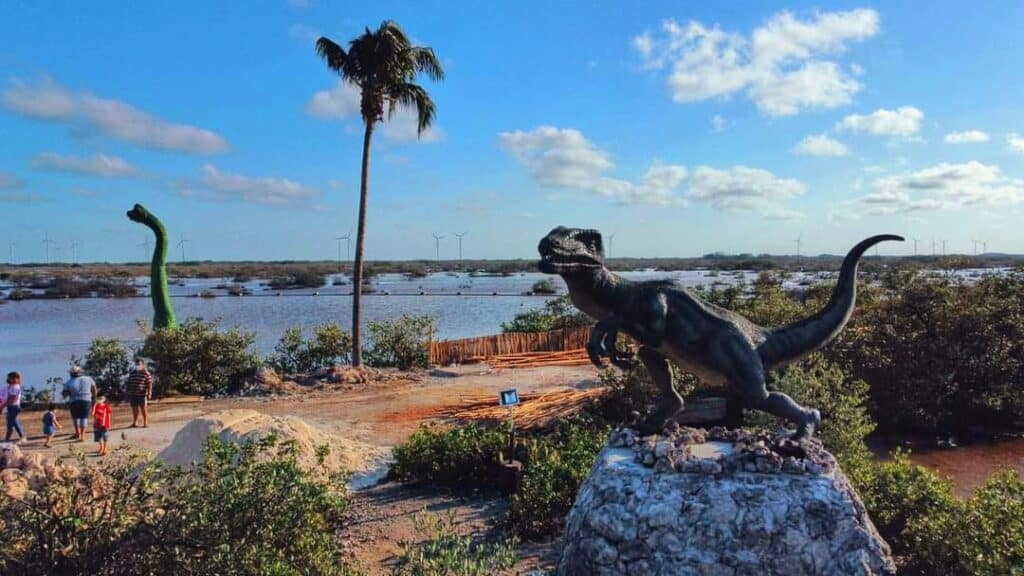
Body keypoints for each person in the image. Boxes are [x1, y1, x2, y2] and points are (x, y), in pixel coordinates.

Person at [63, 366, 97, 442]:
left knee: (75, 418)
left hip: (74, 401)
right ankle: (82, 436)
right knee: (84, 417)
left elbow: (65, 393)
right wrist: (94, 397)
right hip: (86, 400)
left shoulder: (69, 382)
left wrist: (67, 392)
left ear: (71, 373)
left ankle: (77, 433)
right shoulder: (88, 379)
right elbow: (94, 388)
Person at [127, 357, 154, 427]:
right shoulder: (132, 373)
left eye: (139, 363)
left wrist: (149, 393)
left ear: (142, 364)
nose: (137, 365)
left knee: (143, 408)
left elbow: (150, 383)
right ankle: (135, 422)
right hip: (133, 394)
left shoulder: (146, 373)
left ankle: (145, 423)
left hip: (142, 394)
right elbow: (129, 382)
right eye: (136, 363)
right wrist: (129, 391)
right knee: (134, 408)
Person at [2, 372, 24, 442]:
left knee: (10, 424)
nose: (10, 379)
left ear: (17, 378)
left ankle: (7, 439)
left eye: (12, 378)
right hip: (11, 407)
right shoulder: (10, 386)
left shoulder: (15, 387)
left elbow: (12, 399)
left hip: (13, 407)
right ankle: (22, 437)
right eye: (10, 378)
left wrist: (2, 406)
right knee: (15, 423)